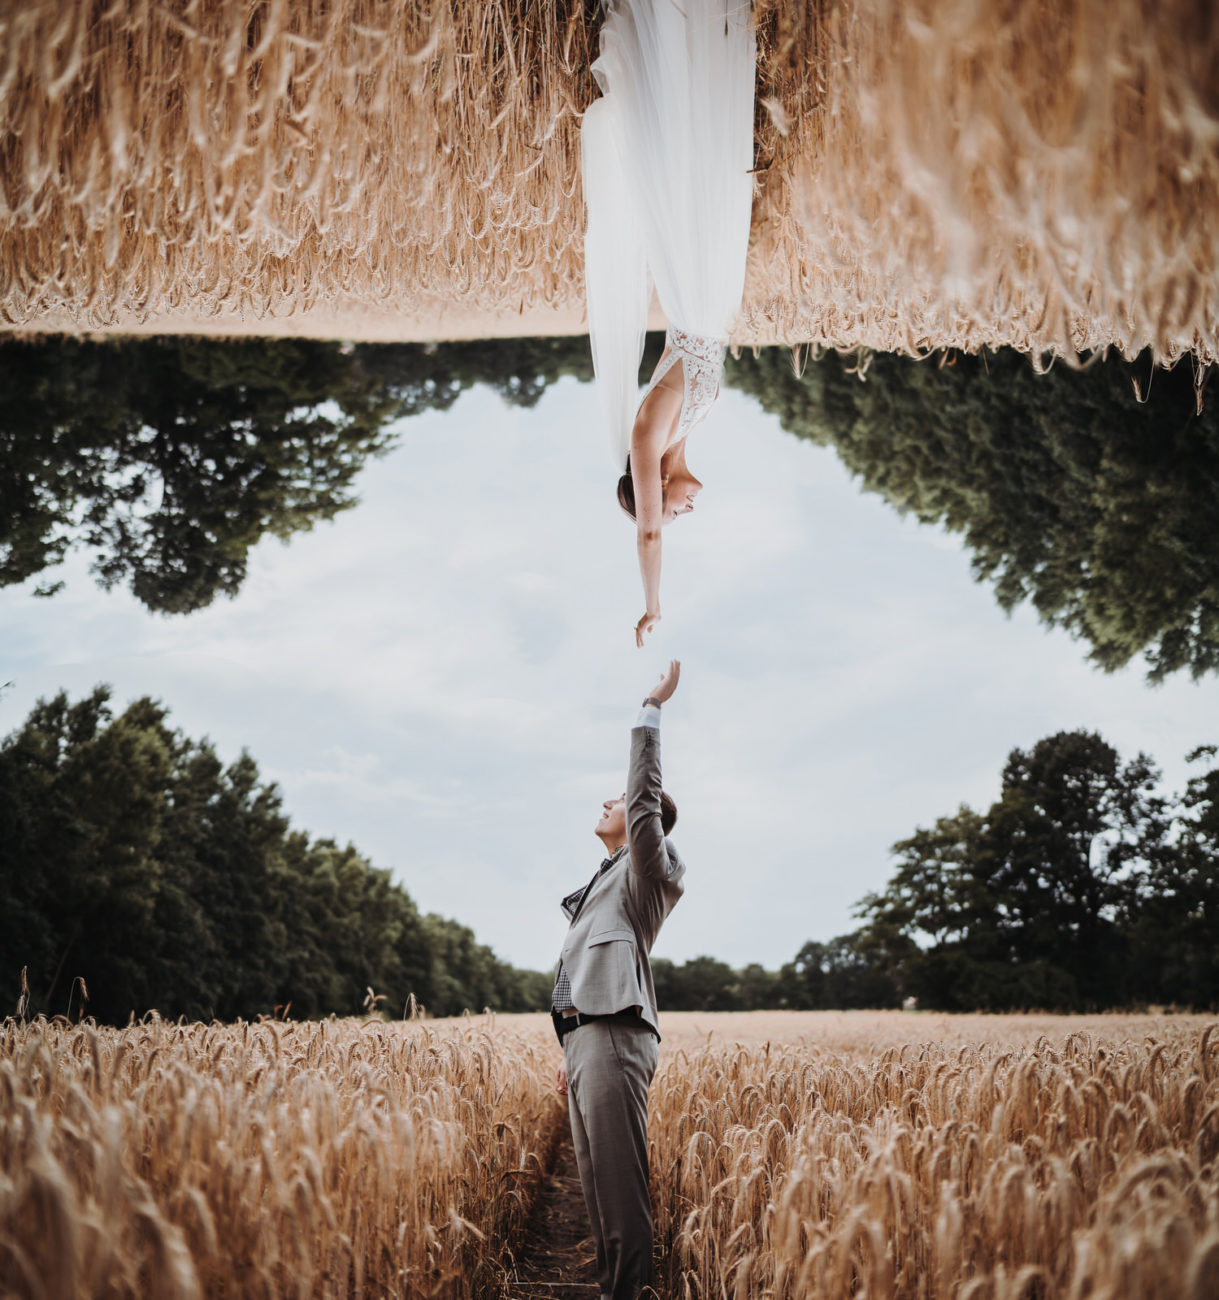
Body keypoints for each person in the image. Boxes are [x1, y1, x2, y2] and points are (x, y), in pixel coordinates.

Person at [581, 0, 757, 646]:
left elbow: (648, 531)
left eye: (672, 512)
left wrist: (652, 603)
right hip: (715, 297)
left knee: (689, 156)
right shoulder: (686, 429)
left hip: (697, 295)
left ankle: (673, 23)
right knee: (718, 156)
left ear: (650, 488)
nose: (684, 512)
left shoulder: (646, 438)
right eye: (680, 514)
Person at [551, 658, 685, 1300]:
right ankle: (612, 1291)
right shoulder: (604, 881)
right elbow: (581, 967)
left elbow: (637, 801)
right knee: (595, 1183)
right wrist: (568, 1043)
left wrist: (650, 709)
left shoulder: (648, 872)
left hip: (614, 1035)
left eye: (621, 800)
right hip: (586, 1039)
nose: (607, 802)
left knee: (620, 1185)